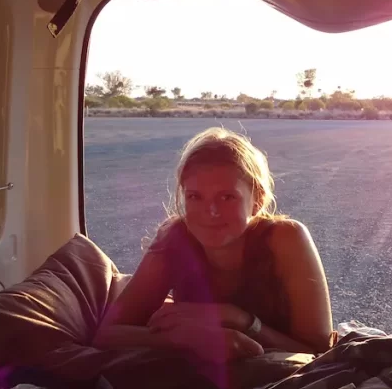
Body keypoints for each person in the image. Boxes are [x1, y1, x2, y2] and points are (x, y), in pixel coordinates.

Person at [94, 127, 334, 362]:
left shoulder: (284, 239)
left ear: (257, 200)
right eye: (195, 197)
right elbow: (107, 334)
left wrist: (239, 320)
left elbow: (320, 351)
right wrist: (189, 339)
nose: (211, 212)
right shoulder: (175, 238)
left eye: (226, 197)